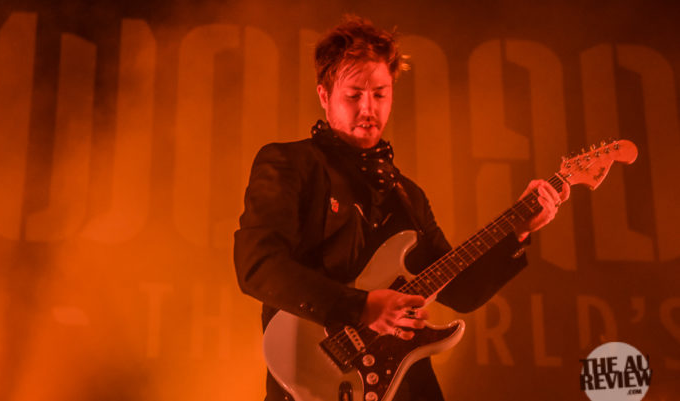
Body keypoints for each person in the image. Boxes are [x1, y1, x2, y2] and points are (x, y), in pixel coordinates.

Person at [234, 16, 569, 401]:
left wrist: (519, 230)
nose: (368, 108)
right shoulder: (289, 164)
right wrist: (361, 307)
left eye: (380, 94)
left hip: (403, 384)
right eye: (354, 95)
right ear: (324, 96)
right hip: (314, 378)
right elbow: (257, 266)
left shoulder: (407, 194)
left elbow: (461, 291)